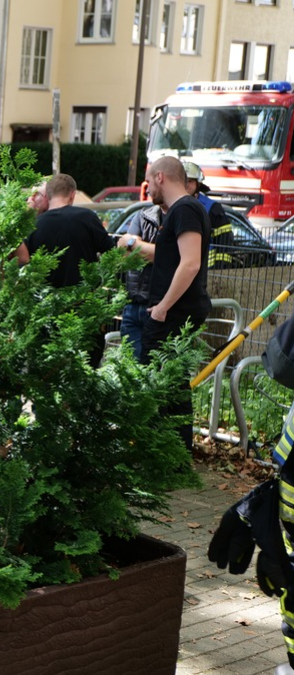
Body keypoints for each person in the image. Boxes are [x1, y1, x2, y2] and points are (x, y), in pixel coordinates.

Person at [141, 155, 211, 453]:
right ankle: (172, 458)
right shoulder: (184, 210)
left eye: (149, 180)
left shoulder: (184, 209)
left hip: (172, 314)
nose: (146, 188)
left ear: (161, 177)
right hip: (172, 312)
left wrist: (162, 307)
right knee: (171, 385)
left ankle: (169, 457)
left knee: (162, 385)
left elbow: (190, 263)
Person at [23, 173, 118, 365]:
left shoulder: (35, 225)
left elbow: (23, 263)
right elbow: (111, 253)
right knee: (86, 365)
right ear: (73, 195)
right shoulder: (87, 218)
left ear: (48, 196)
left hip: (48, 309)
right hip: (84, 307)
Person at [118, 201, 163, 361]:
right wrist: (148, 251)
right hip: (133, 305)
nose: (148, 189)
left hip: (159, 309)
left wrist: (134, 244)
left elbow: (167, 256)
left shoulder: (180, 216)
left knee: (156, 368)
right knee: (132, 368)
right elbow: (124, 253)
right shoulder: (143, 215)